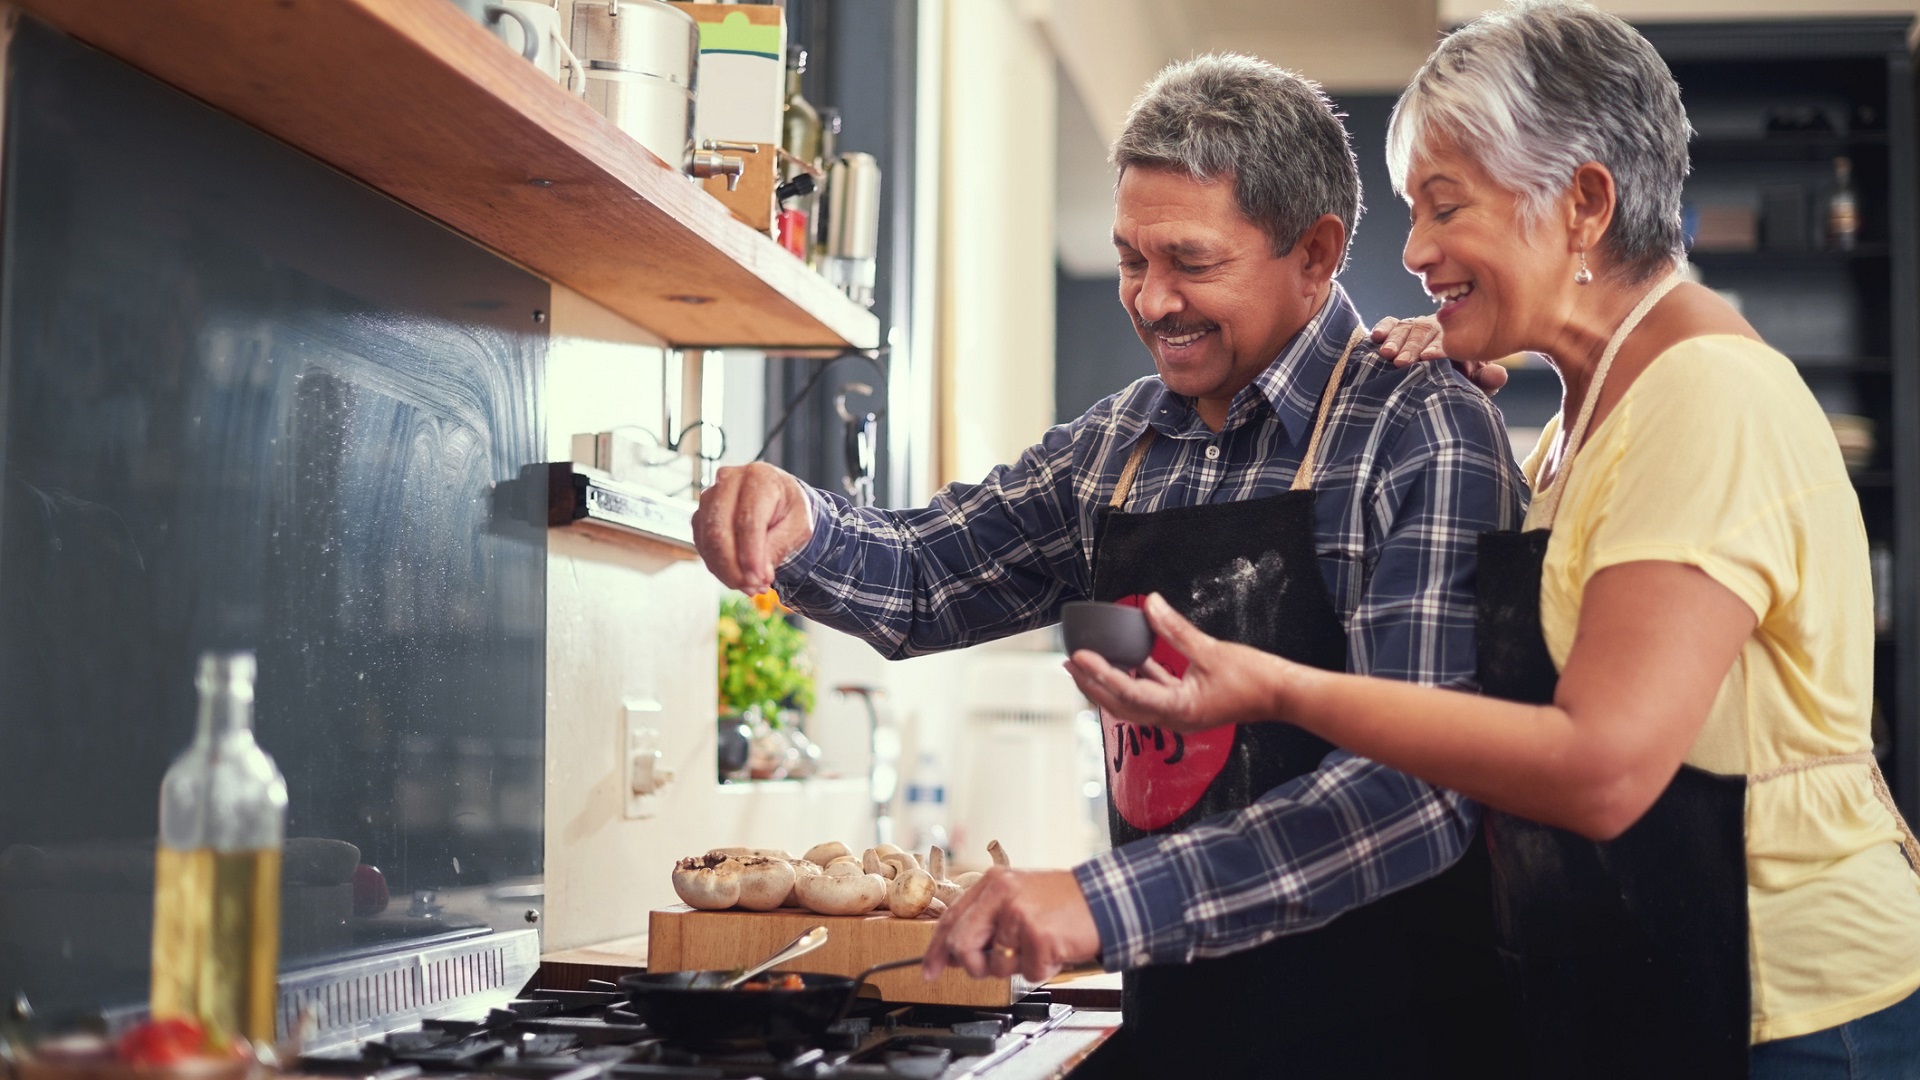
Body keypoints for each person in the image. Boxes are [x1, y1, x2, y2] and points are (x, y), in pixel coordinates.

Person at [1059, 3, 1920, 1078]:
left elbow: (1601, 768)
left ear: (1584, 203)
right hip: (1656, 994)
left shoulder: (1703, 396)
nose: (1414, 250)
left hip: (1795, 1018)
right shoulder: (1580, 417)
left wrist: (1277, 689)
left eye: (1446, 205)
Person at [695, 54, 1525, 1078]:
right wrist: (800, 524)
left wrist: (1100, 903)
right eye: (1131, 258)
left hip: (1389, 1034)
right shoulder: (1118, 448)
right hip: (1179, 1021)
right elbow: (921, 577)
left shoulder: (1422, 429)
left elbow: (1420, 790)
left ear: (1315, 253)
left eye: (1191, 261)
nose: (1152, 300)